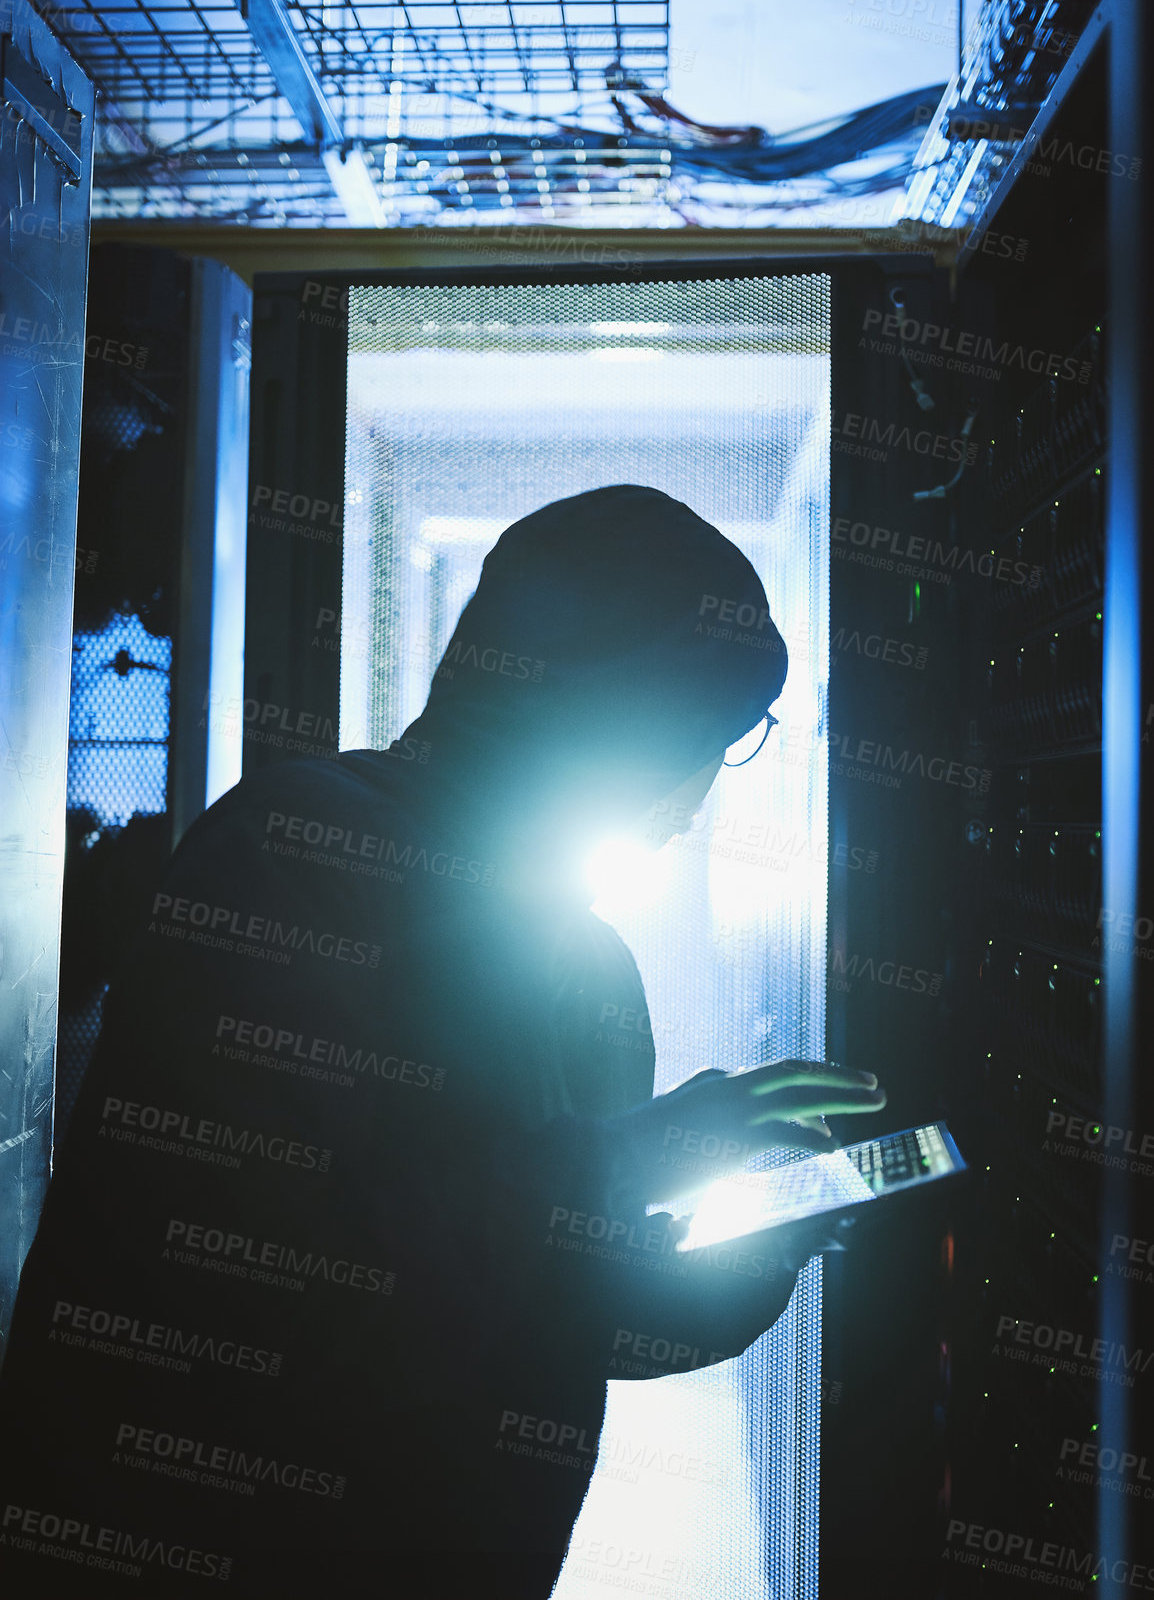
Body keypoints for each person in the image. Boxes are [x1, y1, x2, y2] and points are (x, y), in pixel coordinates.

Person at [0, 484, 886, 1598]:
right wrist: (635, 1155)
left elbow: (568, 1306)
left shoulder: (587, 967)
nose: (699, 794)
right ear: (613, 720)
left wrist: (774, 1244)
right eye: (702, 737)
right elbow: (308, 1283)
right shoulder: (296, 851)